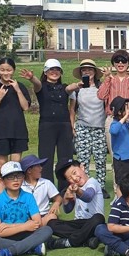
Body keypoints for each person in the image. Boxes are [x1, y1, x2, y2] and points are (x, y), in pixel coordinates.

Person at [20, 59, 84, 187]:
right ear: (45, 71)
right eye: (51, 70)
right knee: (46, 159)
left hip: (64, 126)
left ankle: (65, 188)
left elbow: (69, 88)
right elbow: (37, 84)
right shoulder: (41, 87)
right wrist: (32, 78)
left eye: (57, 70)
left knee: (66, 158)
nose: (54, 72)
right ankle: (47, 188)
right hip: (47, 126)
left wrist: (78, 84)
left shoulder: (64, 87)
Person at [0, 161, 52, 256]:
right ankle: (31, 248)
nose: (15, 179)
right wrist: (24, 226)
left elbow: (37, 223)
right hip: (6, 236)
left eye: (19, 176)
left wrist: (9, 226)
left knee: (47, 229)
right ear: (2, 181)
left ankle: (7, 252)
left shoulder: (28, 197)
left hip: (27, 235)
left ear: (23, 177)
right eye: (10, 177)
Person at [47, 159, 106, 249]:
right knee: (51, 224)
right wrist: (66, 199)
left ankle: (69, 242)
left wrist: (77, 191)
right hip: (78, 224)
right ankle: (87, 240)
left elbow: (88, 197)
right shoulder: (74, 187)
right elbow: (68, 210)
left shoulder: (92, 182)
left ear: (82, 167)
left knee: (99, 218)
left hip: (92, 223)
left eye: (74, 173)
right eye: (69, 178)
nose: (74, 178)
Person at [71, 59, 109, 198]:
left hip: (99, 127)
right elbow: (72, 110)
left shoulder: (101, 87)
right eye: (84, 70)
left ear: (95, 72)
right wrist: (72, 126)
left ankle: (101, 187)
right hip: (83, 127)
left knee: (100, 159)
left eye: (90, 69)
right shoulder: (77, 89)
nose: (87, 72)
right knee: (83, 160)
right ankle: (84, 187)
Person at [97, 50, 129, 159]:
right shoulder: (110, 79)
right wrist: (106, 79)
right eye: (117, 61)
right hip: (113, 120)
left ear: (128, 63)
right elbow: (101, 96)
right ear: (113, 63)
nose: (120, 64)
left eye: (123, 61)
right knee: (116, 156)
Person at [0, 57, 31, 192]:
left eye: (8, 70)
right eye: (2, 70)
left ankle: (14, 193)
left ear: (13, 70)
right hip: (0, 131)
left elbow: (25, 107)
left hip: (17, 130)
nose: (5, 73)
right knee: (1, 163)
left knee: (15, 164)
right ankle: (1, 195)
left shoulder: (19, 86)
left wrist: (17, 89)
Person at [109, 97, 129, 198]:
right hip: (120, 160)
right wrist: (125, 118)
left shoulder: (124, 124)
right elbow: (114, 131)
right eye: (127, 108)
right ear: (119, 111)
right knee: (121, 182)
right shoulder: (115, 124)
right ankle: (120, 201)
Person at [19, 155, 61, 226]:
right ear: (29, 170)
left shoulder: (46, 183)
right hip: (27, 217)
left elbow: (58, 197)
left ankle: (34, 227)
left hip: (43, 215)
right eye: (38, 166)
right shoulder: (20, 186)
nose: (41, 168)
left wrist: (56, 203)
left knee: (52, 217)